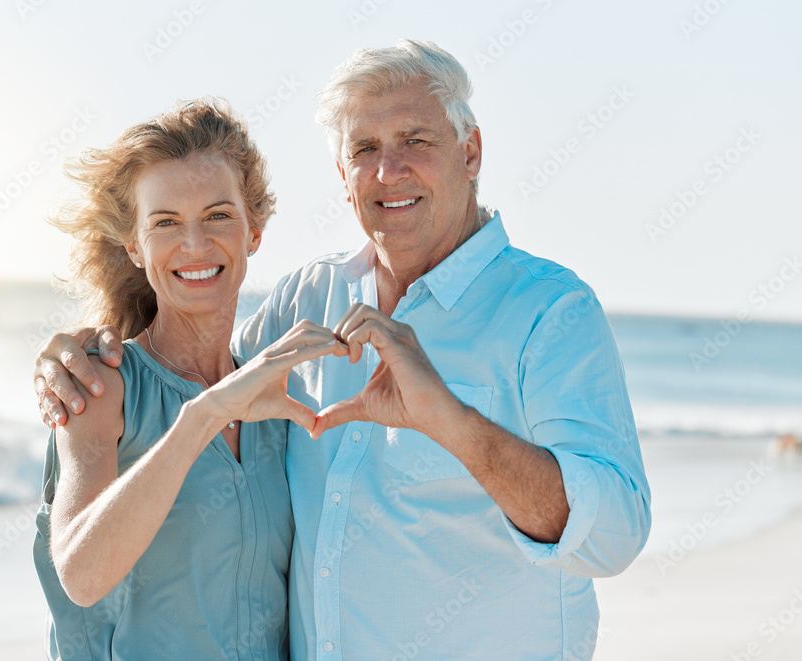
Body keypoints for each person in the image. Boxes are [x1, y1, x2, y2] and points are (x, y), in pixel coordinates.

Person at [35, 41, 652, 660]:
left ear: (470, 152)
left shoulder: (550, 312)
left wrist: (453, 423)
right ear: (342, 177)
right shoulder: (304, 300)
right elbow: (195, 374)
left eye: (415, 139)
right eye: (364, 150)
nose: (389, 171)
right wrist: (77, 350)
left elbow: (614, 538)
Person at [32, 98, 348, 660]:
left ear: (254, 230)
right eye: (165, 223)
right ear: (135, 245)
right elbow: (80, 574)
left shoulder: (274, 395)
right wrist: (204, 415)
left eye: (219, 215)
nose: (196, 245)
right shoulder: (102, 386)